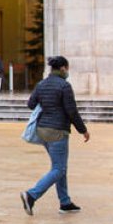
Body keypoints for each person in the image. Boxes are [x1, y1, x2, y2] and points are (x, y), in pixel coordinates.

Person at [20, 55, 89, 215]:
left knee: (59, 166)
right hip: (57, 131)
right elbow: (71, 111)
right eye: (67, 69)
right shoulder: (64, 86)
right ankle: (31, 195)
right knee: (59, 168)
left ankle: (65, 202)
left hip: (42, 130)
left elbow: (31, 104)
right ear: (63, 68)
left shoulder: (41, 84)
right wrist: (83, 130)